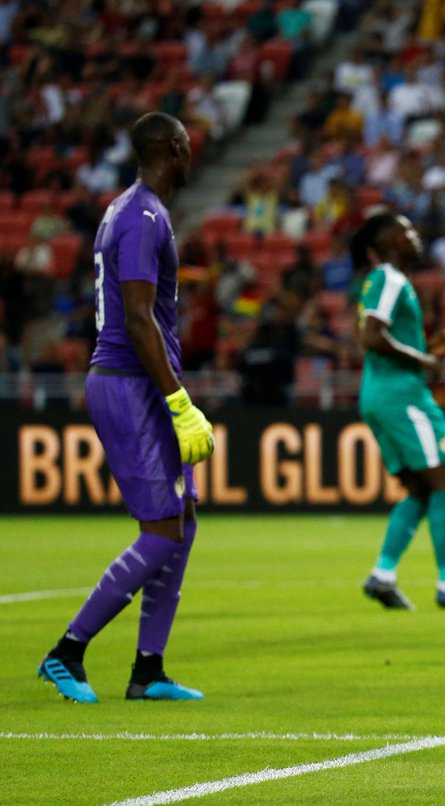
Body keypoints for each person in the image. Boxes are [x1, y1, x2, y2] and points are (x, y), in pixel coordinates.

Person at [37, 112, 214, 704]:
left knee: (181, 524)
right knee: (162, 529)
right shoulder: (141, 216)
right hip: (128, 383)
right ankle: (67, 651)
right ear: (171, 147)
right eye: (188, 144)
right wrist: (178, 400)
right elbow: (138, 319)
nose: (194, 154)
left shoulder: (134, 210)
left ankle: (148, 670)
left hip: (139, 382)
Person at [352, 212, 445, 611]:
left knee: (421, 488)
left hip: (383, 393)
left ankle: (383, 575)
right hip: (403, 397)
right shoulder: (390, 277)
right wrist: (424, 359)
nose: (414, 236)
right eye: (404, 231)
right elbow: (371, 335)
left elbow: (384, 338)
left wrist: (424, 351)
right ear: (382, 244)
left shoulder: (385, 281)